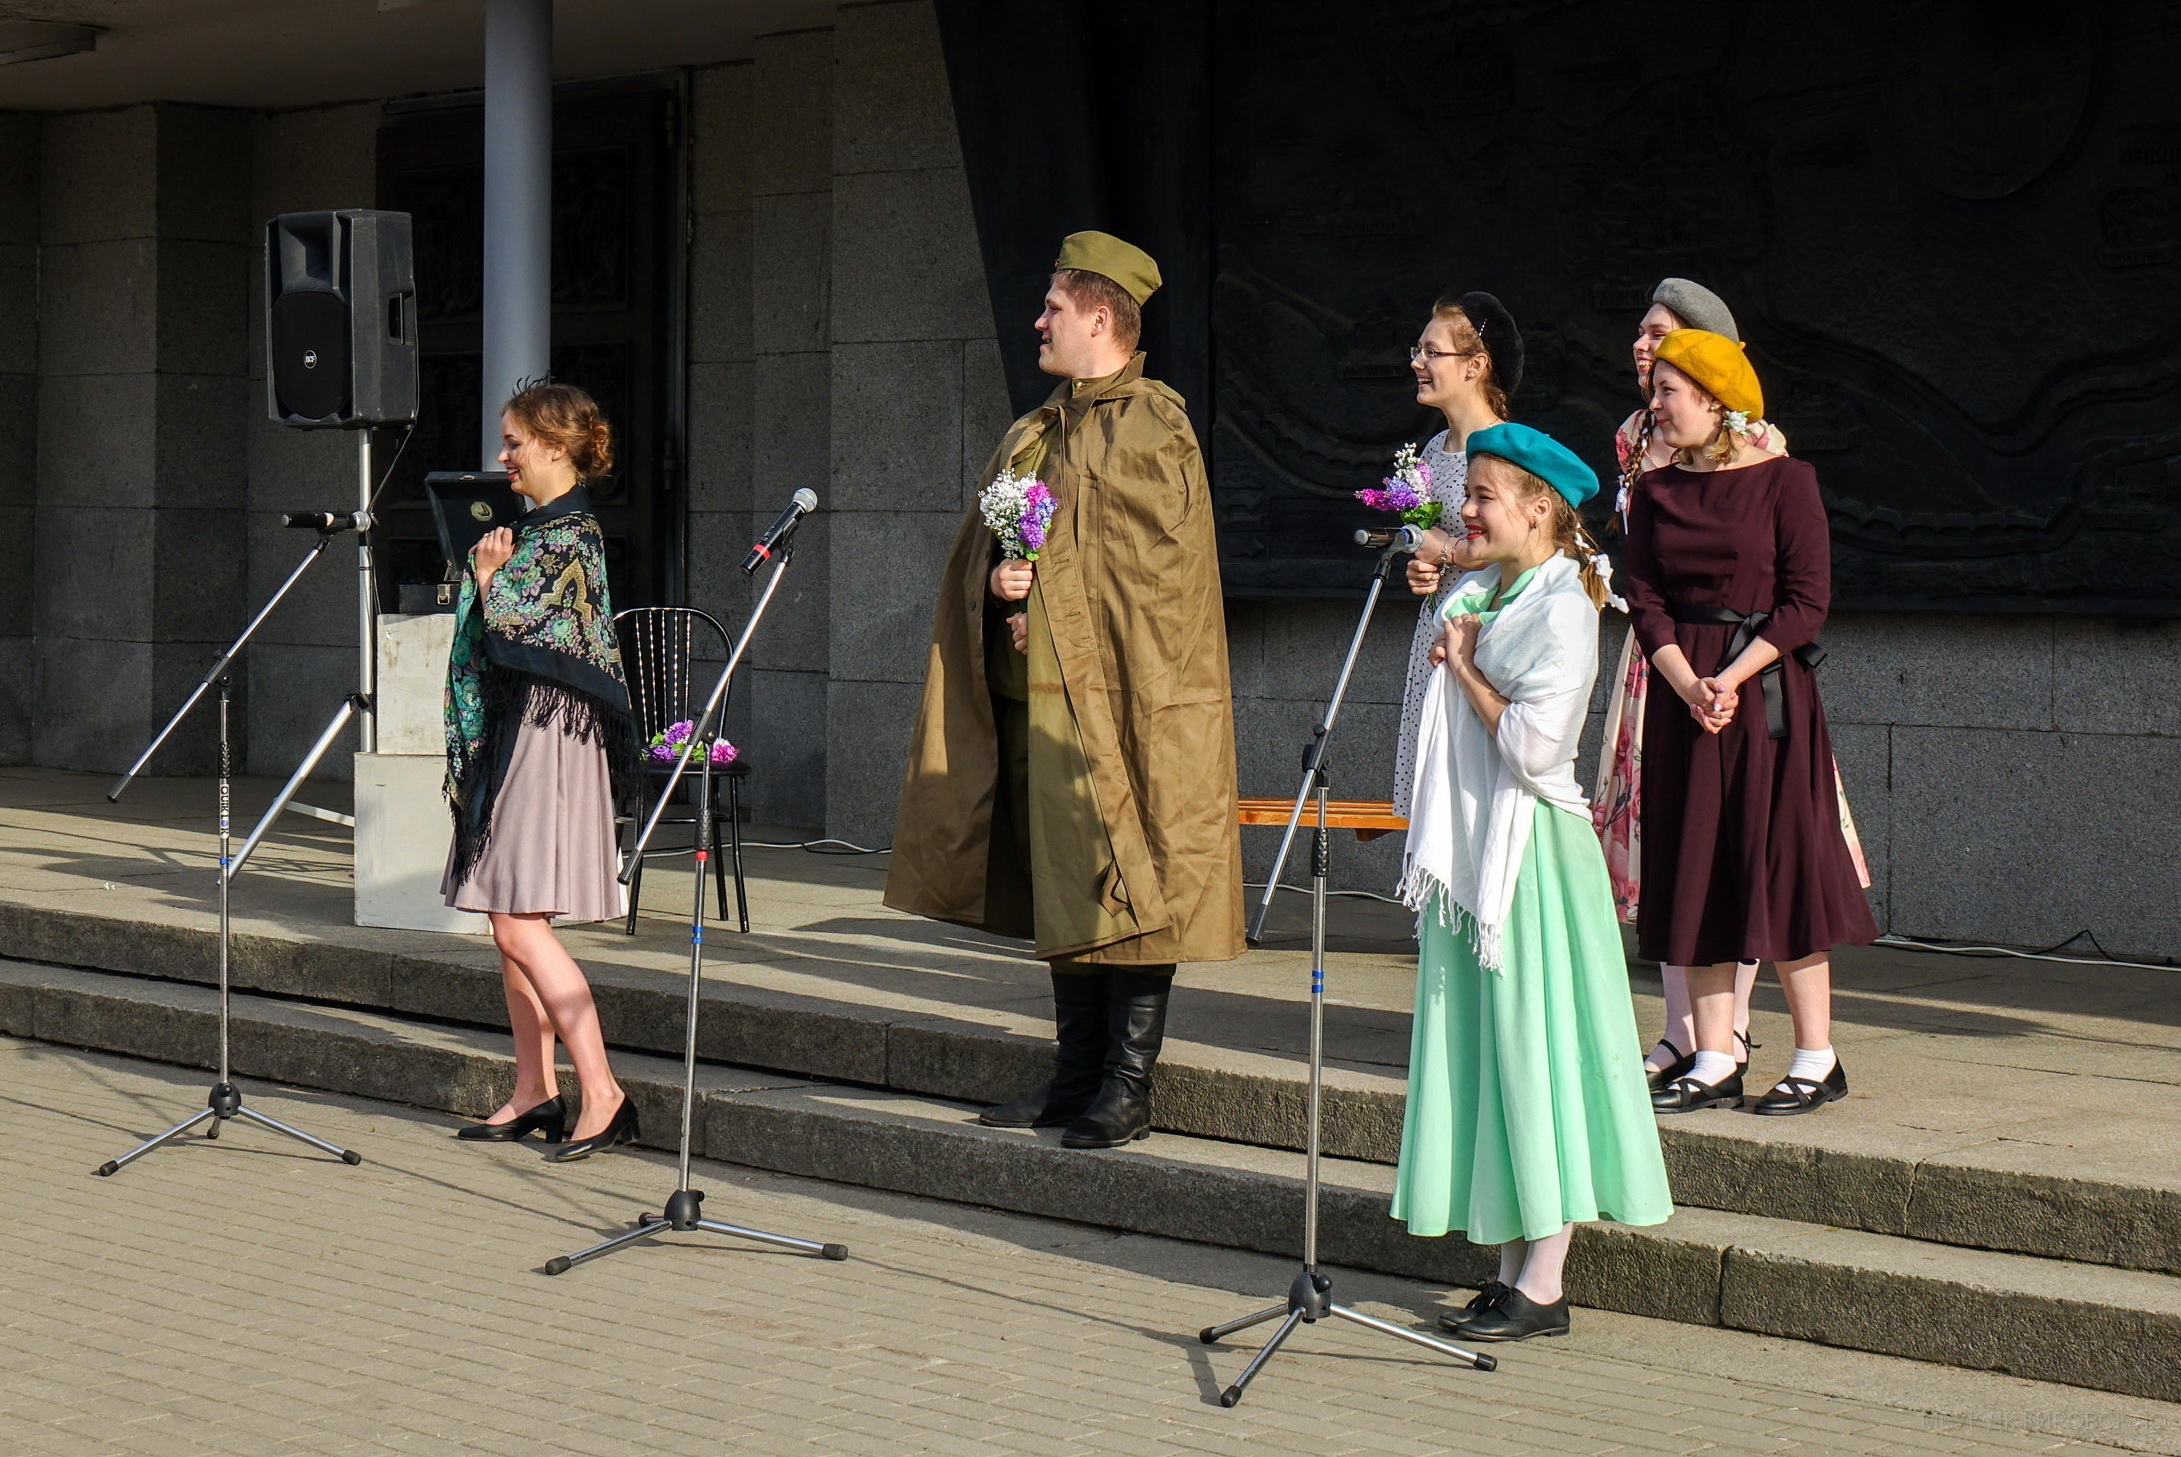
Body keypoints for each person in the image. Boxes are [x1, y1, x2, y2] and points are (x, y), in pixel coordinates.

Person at [885, 231, 1245, 1150]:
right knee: (1065, 880)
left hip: (1130, 698)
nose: (1036, 320)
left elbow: (1158, 572)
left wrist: (1049, 583)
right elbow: (997, 546)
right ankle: (1073, 1073)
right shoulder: (1033, 429)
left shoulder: (1155, 423)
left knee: (1134, 876)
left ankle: (1128, 1084)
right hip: (1043, 695)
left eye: (1052, 307)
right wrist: (1002, 577)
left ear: (1099, 316)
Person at [1393, 422, 1672, 1343]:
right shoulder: (1482, 586)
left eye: (1481, 495)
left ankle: (1545, 1280)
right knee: (1487, 1053)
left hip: (1533, 861)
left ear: (1540, 508)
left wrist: (1465, 664)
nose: (1463, 510)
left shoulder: (1564, 604)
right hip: (1474, 860)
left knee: (1534, 1052)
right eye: (1466, 492)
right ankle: (1509, 1262)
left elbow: (1529, 748)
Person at [1595, 278, 1868, 1093]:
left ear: (1715, 399)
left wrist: (1730, 676)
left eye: (1670, 391)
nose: (1657, 404)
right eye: (1654, 392)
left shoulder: (1785, 479)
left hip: (1764, 693)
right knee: (1694, 861)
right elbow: (1643, 599)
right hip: (1686, 694)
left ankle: (1816, 1054)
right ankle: (1714, 1051)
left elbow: (1805, 602)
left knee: (1777, 858)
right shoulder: (1657, 488)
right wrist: (1684, 682)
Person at [442, 382, 643, 1161]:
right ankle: (534, 1088)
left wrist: (490, 581)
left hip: (546, 735)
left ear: (556, 447)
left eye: (515, 441)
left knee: (515, 919)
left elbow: (525, 630)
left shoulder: (570, 535)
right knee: (508, 919)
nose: (504, 456)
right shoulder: (536, 529)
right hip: (519, 730)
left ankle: (602, 1090)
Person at [1391, 291, 1521, 819]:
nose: (1417, 363)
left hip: (1486, 639)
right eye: (1417, 351)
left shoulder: (1507, 449)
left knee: (1473, 794)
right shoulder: (1432, 448)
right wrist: (1423, 570)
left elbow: (1519, 551)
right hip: (1436, 635)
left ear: (1475, 365)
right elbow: (1441, 551)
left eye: (1431, 352)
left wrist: (1440, 548)